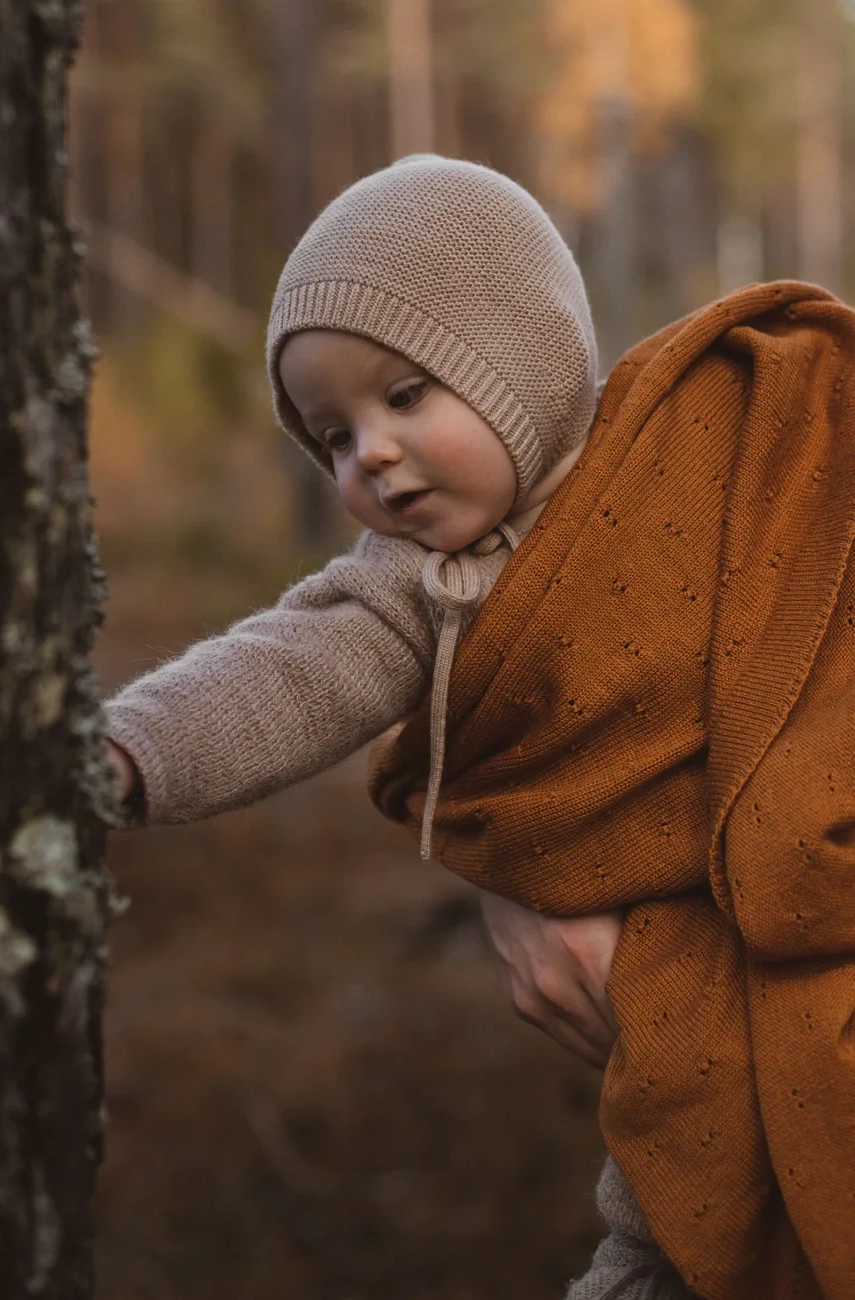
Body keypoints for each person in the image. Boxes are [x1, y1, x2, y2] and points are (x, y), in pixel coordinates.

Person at [103, 156, 855, 1298]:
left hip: (790, 911)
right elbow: (288, 668)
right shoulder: (422, 586)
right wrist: (119, 749)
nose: (374, 456)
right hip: (666, 1002)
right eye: (333, 437)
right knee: (661, 1220)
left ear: (520, 356)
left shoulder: (698, 449)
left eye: (403, 395)